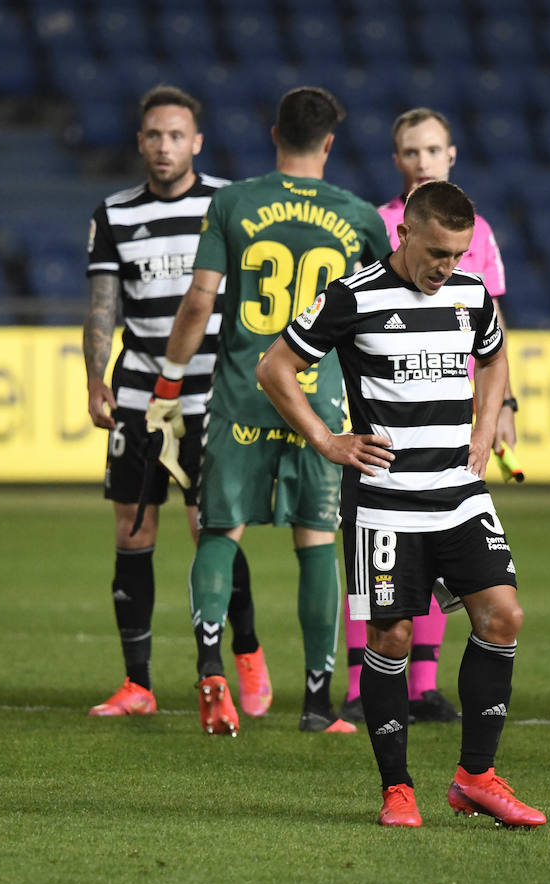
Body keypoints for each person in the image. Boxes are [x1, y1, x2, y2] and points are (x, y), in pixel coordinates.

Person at [256, 180, 545, 828]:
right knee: (392, 635)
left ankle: (475, 777)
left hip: (458, 491)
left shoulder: (472, 293)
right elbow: (274, 367)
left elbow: (495, 358)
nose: (447, 267)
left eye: (458, 253)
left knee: (503, 616)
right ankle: (398, 789)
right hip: (386, 499)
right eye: (437, 252)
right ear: (404, 234)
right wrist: (327, 439)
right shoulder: (352, 297)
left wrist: (486, 421)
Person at [149, 86, 391, 736]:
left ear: (273, 133)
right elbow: (378, 319)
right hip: (320, 402)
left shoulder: (233, 202)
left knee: (219, 533)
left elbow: (199, 304)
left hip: (239, 395)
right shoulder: (361, 217)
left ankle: (209, 670)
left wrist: (169, 383)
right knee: (316, 543)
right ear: (330, 143)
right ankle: (318, 703)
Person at [83, 86, 269, 719]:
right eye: (154, 136)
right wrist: (95, 378)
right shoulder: (113, 214)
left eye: (176, 136)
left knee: (209, 532)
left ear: (196, 142)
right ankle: (138, 684)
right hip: (139, 395)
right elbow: (103, 305)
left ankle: (240, 655)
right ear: (140, 143)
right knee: (133, 532)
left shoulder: (228, 205)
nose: (164, 147)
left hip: (211, 397)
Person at [340, 107, 519, 725]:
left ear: (451, 156)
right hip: (385, 412)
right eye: (410, 152)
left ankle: (424, 684)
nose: (422, 161)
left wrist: (495, 414)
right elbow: (356, 311)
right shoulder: (375, 224)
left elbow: (488, 327)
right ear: (397, 162)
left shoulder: (479, 237)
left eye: (432, 150)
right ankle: (367, 682)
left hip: (449, 415)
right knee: (383, 566)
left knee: (450, 558)